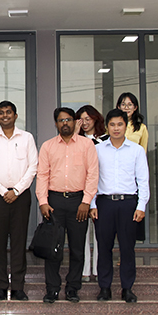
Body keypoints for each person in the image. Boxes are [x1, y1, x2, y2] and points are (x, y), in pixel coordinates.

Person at [35, 107, 99, 304]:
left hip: (78, 202)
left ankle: (73, 288)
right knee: (52, 248)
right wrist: (43, 202)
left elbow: (92, 175)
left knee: (77, 249)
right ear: (56, 123)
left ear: (75, 122)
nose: (65, 123)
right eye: (61, 120)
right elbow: (42, 175)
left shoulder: (87, 145)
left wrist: (86, 202)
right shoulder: (47, 146)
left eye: (69, 119)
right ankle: (52, 289)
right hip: (54, 202)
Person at [0, 100, 37, 301]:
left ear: (15, 115)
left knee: (19, 242)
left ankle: (19, 287)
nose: (5, 115)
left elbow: (33, 167)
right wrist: (4, 191)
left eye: (9, 112)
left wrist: (17, 190)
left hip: (21, 197)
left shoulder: (27, 138)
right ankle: (1, 286)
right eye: (1, 113)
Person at [90, 109, 150, 303]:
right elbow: (91, 179)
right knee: (104, 247)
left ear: (126, 126)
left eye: (120, 124)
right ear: (107, 126)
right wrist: (92, 204)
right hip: (104, 203)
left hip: (128, 204)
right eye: (112, 125)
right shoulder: (97, 150)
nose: (116, 128)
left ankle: (127, 288)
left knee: (127, 248)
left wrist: (141, 206)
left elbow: (143, 180)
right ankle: (104, 288)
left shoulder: (136, 151)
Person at [75, 104, 108, 282]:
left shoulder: (105, 140)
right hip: (81, 190)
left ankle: (98, 269)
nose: (85, 123)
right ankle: (85, 270)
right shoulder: (76, 140)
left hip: (101, 189)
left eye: (88, 119)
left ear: (96, 119)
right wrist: (76, 131)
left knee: (99, 234)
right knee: (82, 233)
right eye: (82, 120)